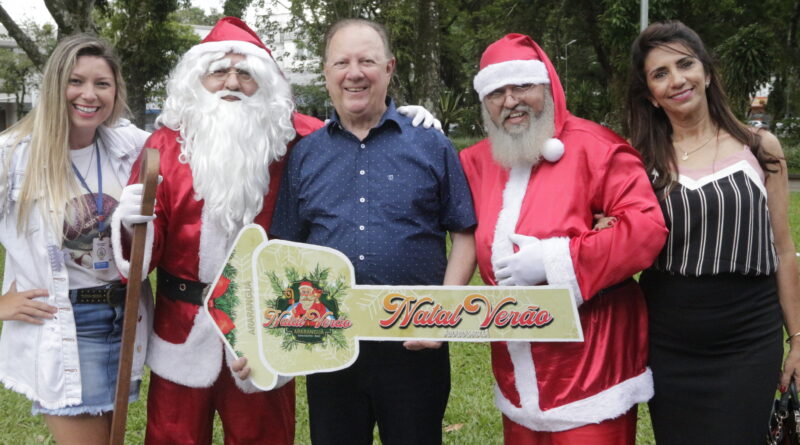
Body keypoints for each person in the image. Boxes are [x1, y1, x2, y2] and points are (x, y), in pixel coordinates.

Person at [109, 16, 327, 445]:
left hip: (267, 323)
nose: (231, 82)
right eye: (218, 72)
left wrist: (407, 119)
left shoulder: (299, 141)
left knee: (264, 437)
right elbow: (140, 260)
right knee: (172, 438)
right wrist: (131, 224)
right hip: (182, 326)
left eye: (245, 72)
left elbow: (360, 136)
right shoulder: (165, 147)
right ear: (197, 81)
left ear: (265, 84)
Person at [271, 18, 476, 445]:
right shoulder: (306, 155)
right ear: (327, 73)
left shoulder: (431, 145)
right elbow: (285, 249)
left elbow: (464, 233)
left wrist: (444, 315)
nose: (355, 72)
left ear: (389, 68)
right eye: (342, 62)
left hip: (413, 343)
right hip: (329, 342)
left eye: (367, 60)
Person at [458, 33, 668, 444]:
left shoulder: (597, 148)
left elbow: (645, 229)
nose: (510, 101)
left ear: (548, 87)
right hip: (516, 374)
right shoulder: (477, 161)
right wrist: (414, 127)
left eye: (522, 86)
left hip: (592, 370)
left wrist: (559, 259)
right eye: (497, 92)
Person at [626, 20, 800, 444]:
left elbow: (783, 249)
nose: (677, 80)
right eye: (660, 74)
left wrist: (798, 339)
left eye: (685, 64)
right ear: (650, 94)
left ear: (707, 71)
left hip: (748, 337)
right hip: (670, 341)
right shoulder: (637, 162)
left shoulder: (760, 148)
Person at [0, 35, 151, 444]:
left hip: (123, 320)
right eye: (76, 81)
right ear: (55, 85)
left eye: (102, 83)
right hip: (64, 324)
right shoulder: (13, 156)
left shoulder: (132, 146)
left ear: (115, 90)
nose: (89, 94)